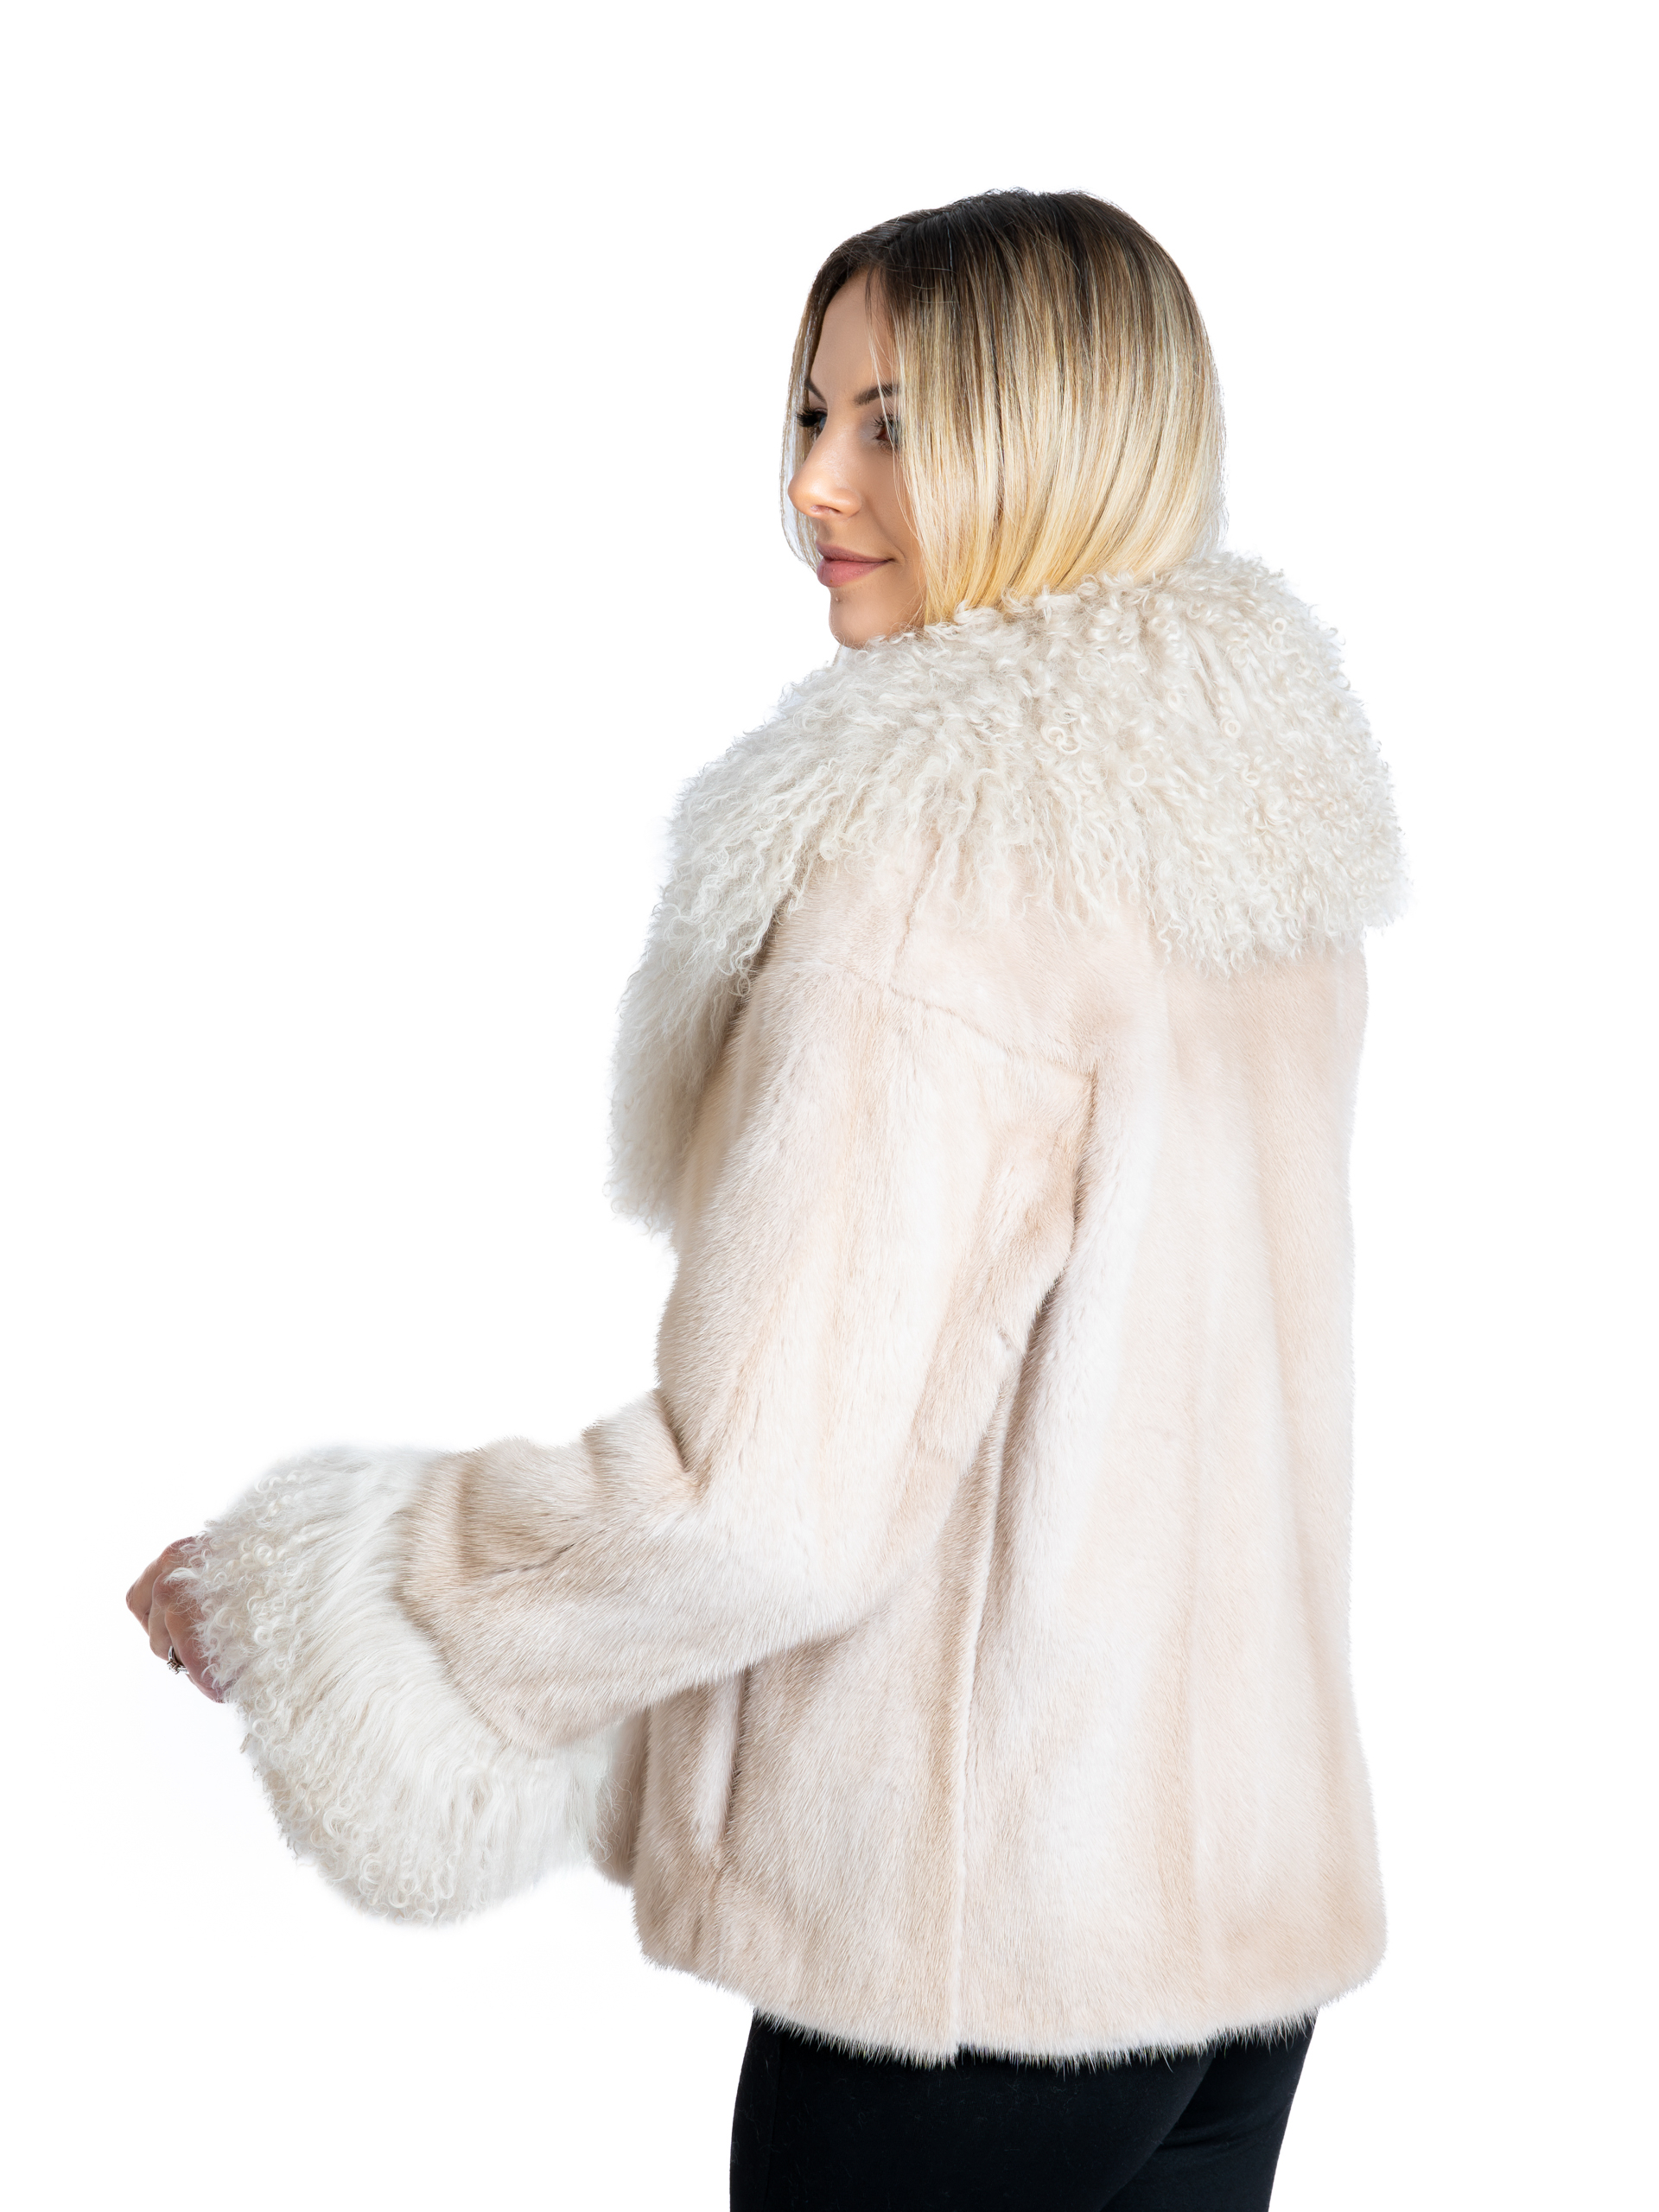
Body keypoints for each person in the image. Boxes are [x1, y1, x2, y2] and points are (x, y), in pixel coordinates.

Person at [129, 189, 1404, 2209]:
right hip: (1225, 1940)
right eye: (813, 413)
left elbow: (769, 1506)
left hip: (975, 1966)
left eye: (892, 423)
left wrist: (341, 1593)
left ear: (1059, 434)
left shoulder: (939, 874)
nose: (815, 482)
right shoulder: (1243, 857)